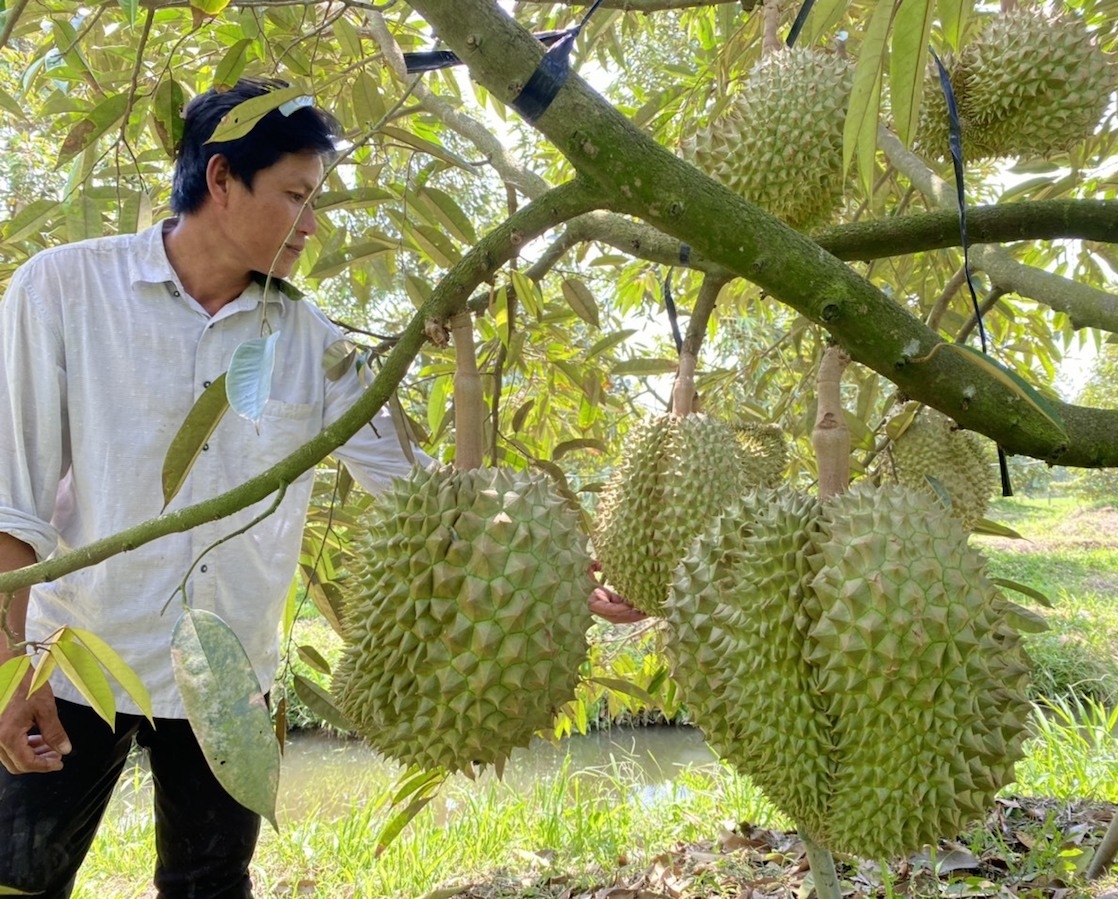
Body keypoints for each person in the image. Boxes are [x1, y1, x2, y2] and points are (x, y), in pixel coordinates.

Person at [0, 77, 641, 899]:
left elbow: (423, 491)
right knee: (18, 876)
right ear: (222, 178)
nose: (310, 225)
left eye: (316, 200)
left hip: (230, 677)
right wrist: (7, 665)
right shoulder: (63, 290)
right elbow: (12, 497)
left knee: (210, 885)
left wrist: (569, 573)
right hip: (74, 656)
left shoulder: (313, 342)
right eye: (295, 196)